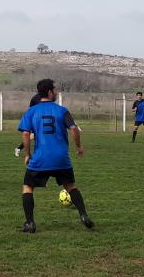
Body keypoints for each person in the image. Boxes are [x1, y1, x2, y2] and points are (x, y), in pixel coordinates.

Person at [18, 78, 94, 233]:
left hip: (40, 158)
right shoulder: (62, 110)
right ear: (49, 92)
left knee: (27, 187)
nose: (56, 92)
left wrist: (27, 154)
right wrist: (78, 147)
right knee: (71, 186)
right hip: (61, 158)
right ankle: (84, 215)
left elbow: (26, 134)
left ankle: (30, 223)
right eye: (55, 89)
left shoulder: (31, 112)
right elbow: (73, 129)